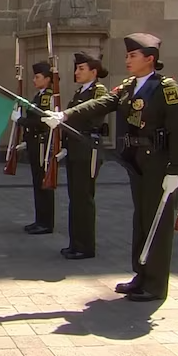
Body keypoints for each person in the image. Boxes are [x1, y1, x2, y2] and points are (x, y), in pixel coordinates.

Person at [41, 34, 178, 301]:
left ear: (150, 59)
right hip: (137, 160)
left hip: (158, 160)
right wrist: (65, 115)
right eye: (127, 55)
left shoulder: (166, 88)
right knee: (141, 219)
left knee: (157, 221)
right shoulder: (129, 87)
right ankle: (141, 274)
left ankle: (155, 285)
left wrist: (175, 170)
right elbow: (102, 103)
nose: (127, 60)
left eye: (133, 56)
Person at [59, 50, 109, 260]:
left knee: (84, 198)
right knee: (75, 198)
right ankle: (75, 242)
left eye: (81, 68)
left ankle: (85, 246)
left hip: (88, 149)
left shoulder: (98, 92)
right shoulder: (80, 93)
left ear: (93, 71)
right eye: (76, 68)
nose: (76, 72)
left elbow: (91, 117)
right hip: (75, 149)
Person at [14, 62, 56, 235]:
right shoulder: (39, 96)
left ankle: (46, 222)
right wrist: (26, 139)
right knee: (37, 183)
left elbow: (41, 121)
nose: (34, 80)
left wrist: (20, 120)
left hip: (42, 144)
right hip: (34, 142)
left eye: (38, 77)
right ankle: (40, 219)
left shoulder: (47, 97)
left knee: (43, 184)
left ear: (47, 79)